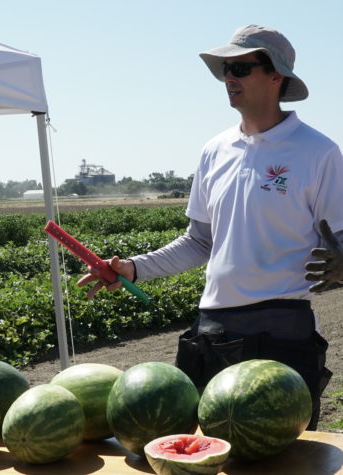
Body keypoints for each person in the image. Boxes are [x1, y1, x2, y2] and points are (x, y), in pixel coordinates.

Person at [78, 25, 343, 430]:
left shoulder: (318, 152)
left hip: (283, 328)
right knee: (209, 446)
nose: (229, 78)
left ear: (276, 76)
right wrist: (133, 267)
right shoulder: (214, 150)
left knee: (283, 453)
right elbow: (200, 241)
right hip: (215, 327)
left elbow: (338, 236)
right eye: (225, 69)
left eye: (241, 68)